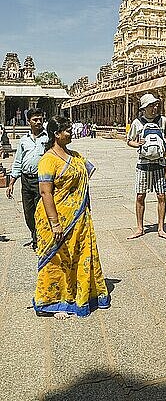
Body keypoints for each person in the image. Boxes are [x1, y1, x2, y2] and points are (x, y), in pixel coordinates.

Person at [33, 115, 110, 319]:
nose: (71, 132)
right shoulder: (48, 160)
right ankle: (54, 301)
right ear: (56, 134)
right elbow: (45, 193)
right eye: (67, 130)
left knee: (77, 256)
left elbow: (88, 171)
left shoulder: (74, 156)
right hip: (56, 218)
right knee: (57, 259)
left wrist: (75, 193)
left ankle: (77, 294)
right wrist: (55, 223)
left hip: (78, 218)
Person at [127, 93, 166, 239]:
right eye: (150, 106)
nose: (154, 108)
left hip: (160, 163)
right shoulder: (137, 123)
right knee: (140, 195)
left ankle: (161, 227)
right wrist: (138, 144)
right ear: (144, 108)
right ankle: (140, 228)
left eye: (155, 105)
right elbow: (129, 140)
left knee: (161, 195)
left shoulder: (163, 121)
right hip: (143, 163)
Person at [6, 108, 48, 250]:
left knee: (40, 210)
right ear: (28, 121)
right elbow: (18, 161)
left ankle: (39, 239)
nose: (38, 122)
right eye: (35, 119)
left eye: (40, 119)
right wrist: (11, 182)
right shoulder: (24, 140)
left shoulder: (47, 138)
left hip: (41, 180)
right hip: (26, 179)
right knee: (28, 211)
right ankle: (33, 232)